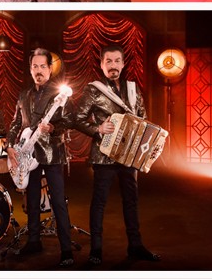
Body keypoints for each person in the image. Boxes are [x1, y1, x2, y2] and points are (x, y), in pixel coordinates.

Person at [74, 45, 161, 265]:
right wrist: (97, 129)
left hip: (129, 155)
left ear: (123, 63)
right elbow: (78, 119)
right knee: (99, 203)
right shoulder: (93, 90)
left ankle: (135, 246)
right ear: (102, 64)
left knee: (131, 201)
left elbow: (143, 117)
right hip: (104, 156)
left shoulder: (132, 88)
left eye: (117, 61)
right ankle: (96, 250)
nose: (113, 65)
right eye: (108, 61)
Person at [7, 48, 77, 267]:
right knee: (32, 200)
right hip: (28, 153)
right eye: (34, 66)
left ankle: (66, 250)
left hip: (52, 153)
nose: (39, 70)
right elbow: (16, 123)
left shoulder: (59, 94)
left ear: (50, 68)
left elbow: (70, 120)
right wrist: (9, 145)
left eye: (42, 66)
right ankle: (34, 241)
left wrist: (53, 128)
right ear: (30, 69)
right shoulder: (24, 94)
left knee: (58, 201)